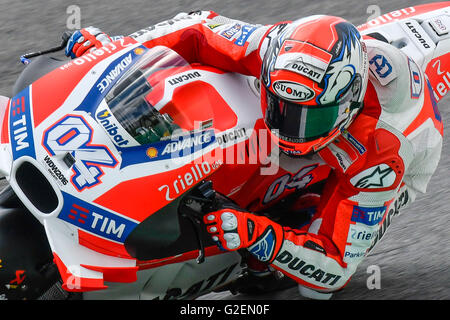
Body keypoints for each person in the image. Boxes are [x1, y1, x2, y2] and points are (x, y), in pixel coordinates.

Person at [65, 10, 443, 299]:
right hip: (338, 72)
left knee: (315, 290)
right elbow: (197, 27)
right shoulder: (272, 47)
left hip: (404, 145)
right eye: (283, 108)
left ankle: (281, 234)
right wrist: (115, 50)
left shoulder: (384, 155)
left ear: (348, 103)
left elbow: (335, 265)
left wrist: (260, 236)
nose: (292, 129)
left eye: (313, 117)